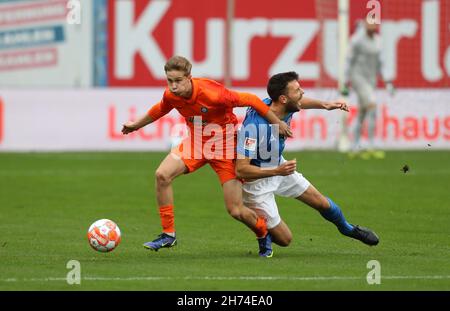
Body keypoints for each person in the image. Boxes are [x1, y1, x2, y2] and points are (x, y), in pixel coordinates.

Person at [121, 55, 292, 251]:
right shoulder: (171, 95)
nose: (173, 86)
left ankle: (262, 233)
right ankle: (168, 234)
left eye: (178, 81)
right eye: (170, 81)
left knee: (235, 210)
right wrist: (136, 125)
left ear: (189, 77)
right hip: (196, 144)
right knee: (162, 175)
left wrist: (276, 122)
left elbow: (252, 100)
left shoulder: (213, 94)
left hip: (225, 148)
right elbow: (160, 109)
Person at [236, 71, 379, 257]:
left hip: (278, 166)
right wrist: (277, 171)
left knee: (321, 202)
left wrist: (325, 105)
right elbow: (241, 169)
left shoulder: (282, 105)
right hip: (256, 182)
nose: (302, 92)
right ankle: (260, 229)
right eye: (297, 90)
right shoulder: (254, 127)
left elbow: (301, 102)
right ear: (283, 98)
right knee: (285, 239)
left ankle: (347, 228)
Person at [342, 19, 395, 159]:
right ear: (365, 25)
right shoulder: (357, 40)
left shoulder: (378, 41)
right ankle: (371, 145)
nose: (373, 26)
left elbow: (381, 63)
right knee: (372, 106)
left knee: (363, 112)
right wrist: (345, 80)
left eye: (375, 24)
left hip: (371, 80)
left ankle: (354, 147)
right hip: (357, 77)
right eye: (370, 24)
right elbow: (349, 60)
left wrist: (388, 81)